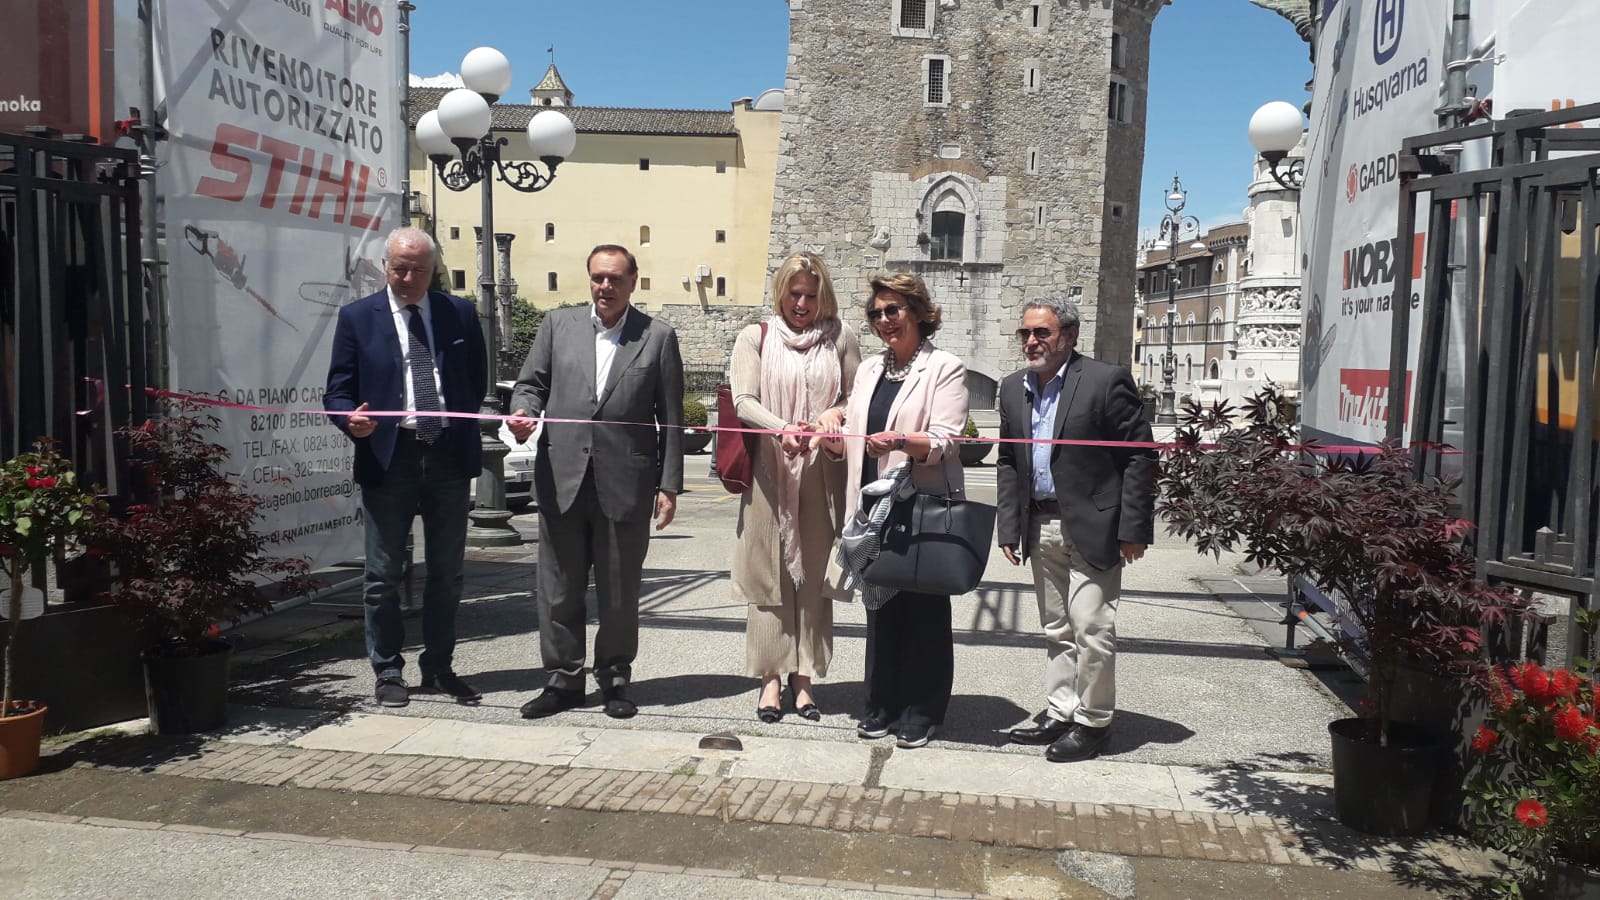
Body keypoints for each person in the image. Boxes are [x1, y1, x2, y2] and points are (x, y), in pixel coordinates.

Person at [507, 244, 684, 720]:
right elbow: (530, 385)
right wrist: (522, 413)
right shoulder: (556, 326)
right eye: (597, 278)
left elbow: (670, 419)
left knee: (620, 589)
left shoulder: (658, 337)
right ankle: (562, 679)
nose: (605, 287)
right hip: (561, 476)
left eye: (614, 279)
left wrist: (668, 487)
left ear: (633, 282)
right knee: (559, 587)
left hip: (626, 481)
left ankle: (614, 676)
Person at [324, 226, 487, 708]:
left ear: (432, 269)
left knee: (447, 572)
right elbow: (337, 390)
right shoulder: (358, 318)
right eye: (399, 267)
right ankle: (388, 669)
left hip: (446, 457)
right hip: (388, 457)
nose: (408, 277)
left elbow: (473, 381)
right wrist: (347, 419)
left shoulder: (458, 314)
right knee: (382, 574)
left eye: (418, 269)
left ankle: (438, 666)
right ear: (384, 266)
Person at [996, 296, 1157, 763]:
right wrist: (1009, 525)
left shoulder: (1105, 382)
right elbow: (1010, 460)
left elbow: (1140, 455)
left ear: (1068, 335)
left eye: (1041, 333)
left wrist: (1134, 528)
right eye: (1025, 333)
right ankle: (1060, 710)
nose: (1031, 342)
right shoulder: (1011, 389)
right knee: (1056, 627)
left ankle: (1094, 723)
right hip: (1039, 522)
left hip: (1095, 525)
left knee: (1092, 625)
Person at [819, 273, 968, 749]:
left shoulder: (945, 368)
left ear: (919, 314)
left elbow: (947, 439)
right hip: (872, 508)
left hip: (919, 506)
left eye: (894, 310)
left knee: (923, 613)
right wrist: (829, 436)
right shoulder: (868, 371)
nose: (884, 320)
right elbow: (857, 436)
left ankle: (921, 711)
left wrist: (905, 442)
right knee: (879, 610)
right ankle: (880, 704)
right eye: (876, 313)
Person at [730, 253, 861, 723]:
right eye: (794, 293)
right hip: (771, 473)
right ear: (780, 292)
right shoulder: (755, 337)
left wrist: (834, 415)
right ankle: (769, 680)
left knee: (813, 578)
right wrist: (782, 426)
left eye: (810, 294)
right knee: (769, 576)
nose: (802, 303)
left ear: (822, 294)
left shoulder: (841, 336)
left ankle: (803, 680)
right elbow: (744, 400)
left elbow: (855, 394)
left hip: (822, 472)